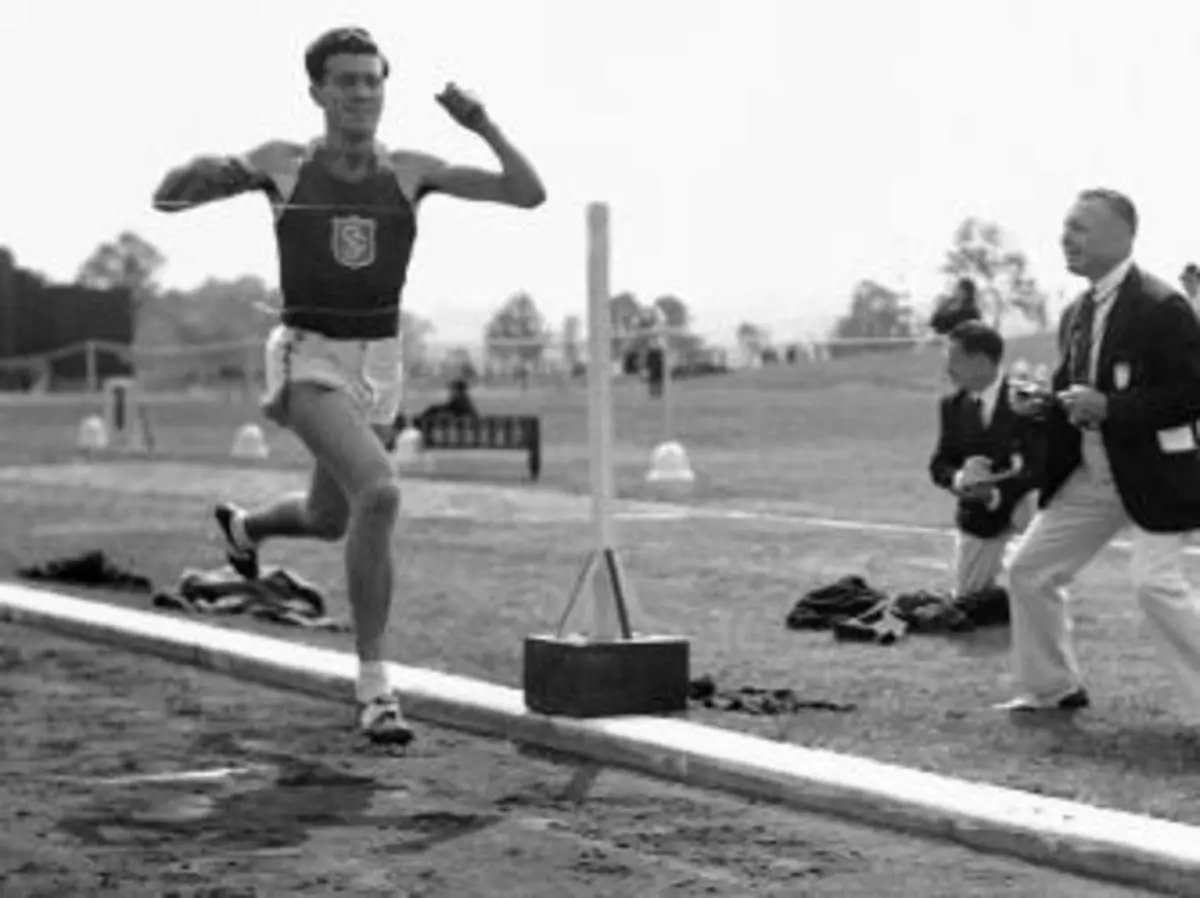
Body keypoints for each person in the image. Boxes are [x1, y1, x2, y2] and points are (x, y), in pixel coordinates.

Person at [150, 27, 546, 744]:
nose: (362, 93)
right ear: (318, 92)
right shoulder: (285, 162)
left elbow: (528, 193)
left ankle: (245, 529)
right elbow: (169, 200)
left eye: (372, 80)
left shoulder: (411, 170)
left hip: (381, 364)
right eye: (346, 81)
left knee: (331, 516)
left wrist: (483, 124)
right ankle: (374, 688)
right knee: (381, 493)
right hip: (308, 356)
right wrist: (204, 174)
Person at [1000, 188, 1200, 716]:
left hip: (1156, 473)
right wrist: (1043, 405)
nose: (1065, 238)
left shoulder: (1163, 306)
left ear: (1123, 235)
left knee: (1155, 585)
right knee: (1029, 570)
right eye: (1066, 227)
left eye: (1080, 228)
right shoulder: (1076, 313)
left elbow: (1190, 394)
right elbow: (1076, 391)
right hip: (1090, 472)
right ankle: (1050, 688)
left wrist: (1112, 407)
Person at [929, 320, 1040, 597]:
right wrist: (961, 479)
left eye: (954, 359)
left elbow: (1042, 467)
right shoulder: (952, 406)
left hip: (1026, 512)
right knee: (968, 599)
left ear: (980, 362)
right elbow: (939, 464)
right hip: (978, 518)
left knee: (1033, 594)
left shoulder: (1029, 399)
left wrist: (995, 494)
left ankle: (1033, 580)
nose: (947, 369)